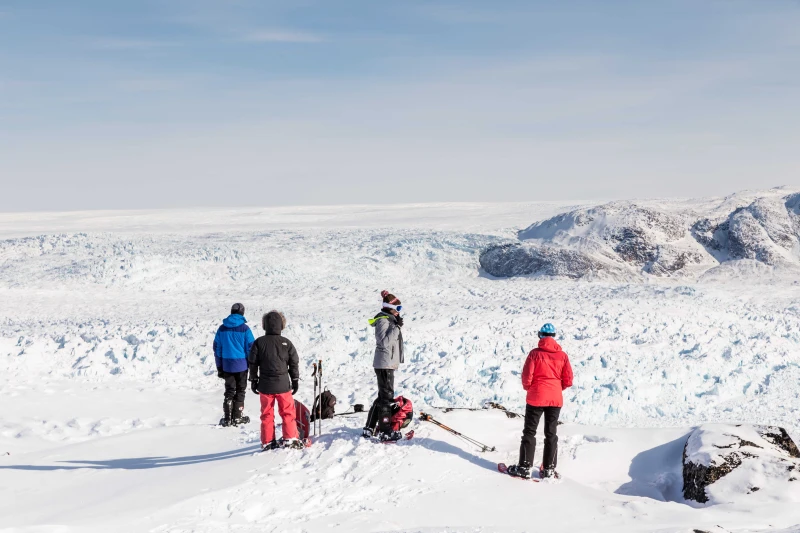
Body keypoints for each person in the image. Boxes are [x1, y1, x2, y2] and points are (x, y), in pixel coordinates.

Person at [507, 323, 573, 479]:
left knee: (530, 432)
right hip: (555, 399)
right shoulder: (562, 355)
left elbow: (526, 376)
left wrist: (531, 388)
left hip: (536, 397)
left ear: (540, 335)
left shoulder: (534, 354)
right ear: (554, 336)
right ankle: (549, 469)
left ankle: (524, 467)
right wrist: (556, 388)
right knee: (551, 434)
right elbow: (568, 379)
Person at [248, 310, 302, 450]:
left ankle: (267, 441)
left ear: (264, 325)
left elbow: (253, 363)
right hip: (283, 386)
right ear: (281, 325)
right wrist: (295, 380)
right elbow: (294, 362)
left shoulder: (259, 343)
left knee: (266, 414)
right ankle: (290, 438)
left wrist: (253, 379)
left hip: (265, 386)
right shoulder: (286, 343)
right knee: (288, 413)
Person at [363, 290, 405, 441]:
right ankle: (385, 431)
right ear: (388, 307)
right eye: (397, 308)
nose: (399, 312)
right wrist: (397, 327)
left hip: (387, 363)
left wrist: (396, 324)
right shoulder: (382, 321)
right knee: (386, 398)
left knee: (383, 397)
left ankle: (369, 427)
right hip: (384, 364)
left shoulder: (389, 319)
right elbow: (384, 342)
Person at [213, 303, 255, 427]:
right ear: (242, 313)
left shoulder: (222, 329)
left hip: (227, 365)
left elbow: (217, 348)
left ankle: (227, 418)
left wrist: (219, 366)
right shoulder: (245, 329)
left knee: (229, 390)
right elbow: (251, 348)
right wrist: (251, 365)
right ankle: (237, 416)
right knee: (240, 390)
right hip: (242, 365)